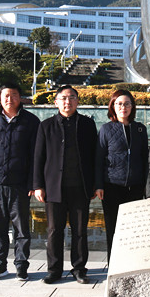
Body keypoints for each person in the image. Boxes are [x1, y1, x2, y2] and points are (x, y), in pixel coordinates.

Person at [0, 83, 40, 281]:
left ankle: (21, 265)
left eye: (13, 95)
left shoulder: (31, 121)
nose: (9, 99)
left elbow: (36, 156)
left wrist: (33, 183)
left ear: (20, 98)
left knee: (22, 229)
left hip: (20, 185)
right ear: (0, 98)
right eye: (6, 95)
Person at [33, 85, 97, 284]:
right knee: (54, 230)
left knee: (80, 230)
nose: (67, 102)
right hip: (54, 187)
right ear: (56, 102)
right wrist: (38, 185)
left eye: (71, 98)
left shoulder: (87, 124)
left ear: (77, 101)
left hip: (80, 186)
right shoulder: (46, 126)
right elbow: (38, 158)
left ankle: (79, 269)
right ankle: (54, 270)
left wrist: (95, 184)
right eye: (63, 98)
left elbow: (95, 156)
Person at [94, 89, 148, 260]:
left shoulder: (140, 129)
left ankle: (132, 263)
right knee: (113, 228)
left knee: (134, 229)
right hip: (112, 185)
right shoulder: (106, 129)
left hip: (135, 186)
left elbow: (145, 158)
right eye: (119, 104)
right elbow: (99, 159)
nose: (123, 107)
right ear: (112, 106)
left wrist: (146, 186)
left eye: (126, 104)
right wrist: (99, 185)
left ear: (132, 107)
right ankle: (114, 264)